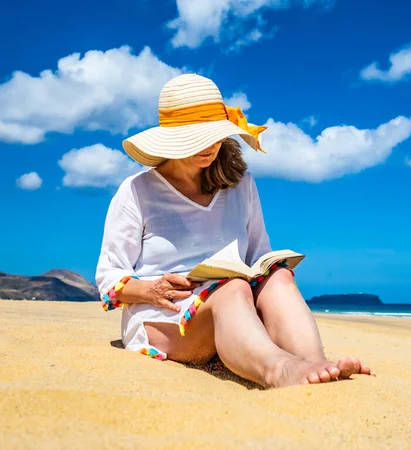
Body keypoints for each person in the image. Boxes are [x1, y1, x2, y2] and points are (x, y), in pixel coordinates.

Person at [96, 74, 374, 388]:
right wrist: (154, 289)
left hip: (236, 311)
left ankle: (313, 362)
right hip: (166, 317)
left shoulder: (241, 184)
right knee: (231, 289)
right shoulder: (137, 191)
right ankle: (278, 371)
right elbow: (108, 278)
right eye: (196, 137)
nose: (210, 146)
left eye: (215, 135)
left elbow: (258, 256)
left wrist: (267, 270)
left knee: (277, 276)